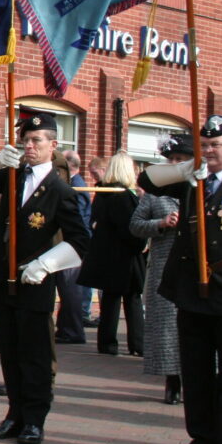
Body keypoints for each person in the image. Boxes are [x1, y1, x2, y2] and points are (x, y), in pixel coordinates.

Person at [0, 112, 89, 444]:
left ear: (53, 145)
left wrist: (46, 264)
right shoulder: (13, 175)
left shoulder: (60, 190)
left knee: (34, 355)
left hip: (34, 281)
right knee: (9, 352)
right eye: (26, 140)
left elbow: (80, 240)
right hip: (3, 279)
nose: (30, 146)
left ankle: (34, 419)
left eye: (37, 140)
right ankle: (14, 414)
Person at [140, 116, 222, 444]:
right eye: (204, 146)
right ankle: (202, 439)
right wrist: (186, 169)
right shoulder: (194, 181)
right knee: (195, 370)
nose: (209, 151)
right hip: (191, 290)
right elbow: (147, 180)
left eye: (216, 145)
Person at [131, 133, 191, 405]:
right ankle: (172, 380)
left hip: (194, 266)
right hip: (165, 265)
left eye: (181, 159)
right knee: (168, 328)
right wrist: (161, 223)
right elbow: (135, 225)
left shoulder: (202, 187)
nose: (176, 164)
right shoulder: (156, 192)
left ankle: (196, 379)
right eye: (172, 159)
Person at [79, 151, 145, 357]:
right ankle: (137, 343)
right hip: (124, 255)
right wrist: (141, 244)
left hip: (106, 253)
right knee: (132, 299)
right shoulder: (123, 196)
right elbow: (130, 229)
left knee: (110, 300)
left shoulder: (103, 193)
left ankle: (107, 343)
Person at [53, 149, 93, 344]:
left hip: (70, 244)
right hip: (67, 242)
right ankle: (66, 329)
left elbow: (79, 217)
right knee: (68, 290)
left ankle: (73, 331)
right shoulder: (73, 184)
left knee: (70, 290)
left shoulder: (76, 185)